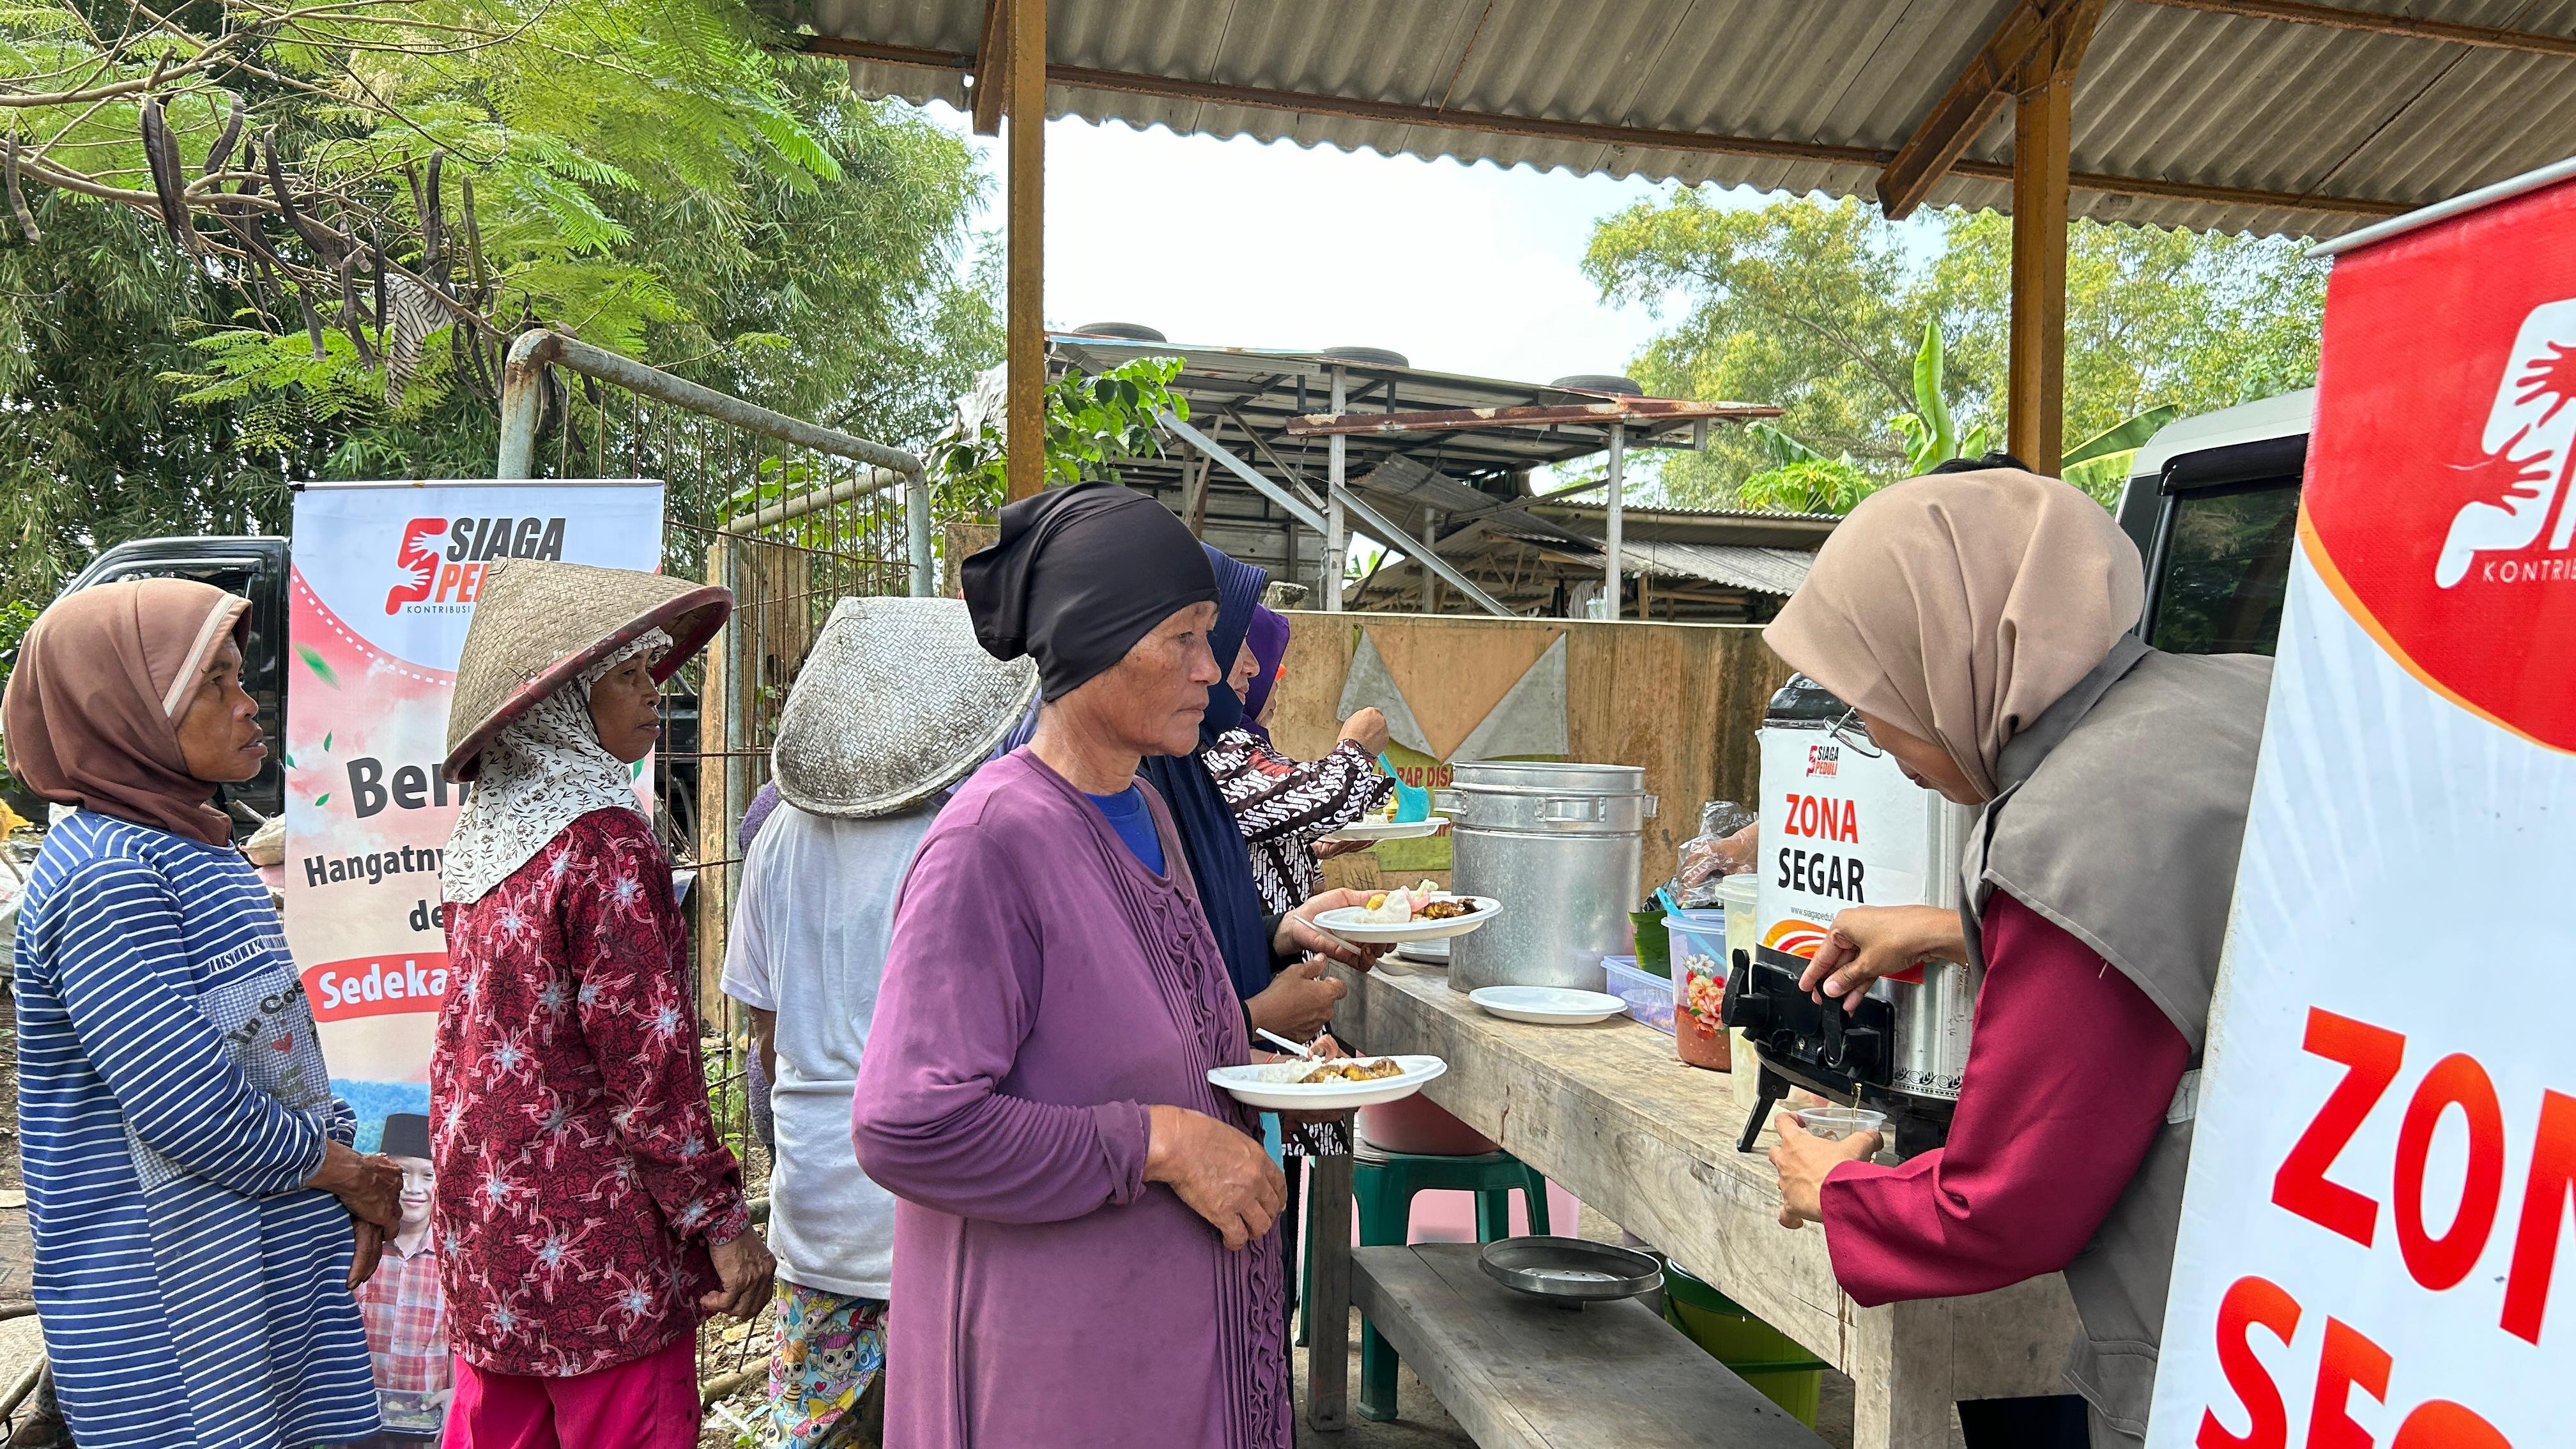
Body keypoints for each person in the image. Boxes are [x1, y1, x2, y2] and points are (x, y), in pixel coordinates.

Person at [1754, 464, 2271, 1449]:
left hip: (2233, 1343)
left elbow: (2008, 1203)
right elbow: (2207, 942)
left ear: (1949, 651)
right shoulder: (2231, 696)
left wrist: (1840, 1191)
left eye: (1876, 688)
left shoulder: (2072, 826)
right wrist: (1962, 928)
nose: (1869, 729)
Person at [854, 482, 1367, 1449]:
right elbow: (907, 1128)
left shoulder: (1147, 808)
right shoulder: (991, 844)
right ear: (1094, 640)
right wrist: (1163, 1144)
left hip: (1168, 1368)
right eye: (1183, 637)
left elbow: (1143, 1038)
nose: (1213, 672)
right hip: (1051, 1388)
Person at [4, 578, 401, 1449]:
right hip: (175, 1311)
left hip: (254, 1270)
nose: (248, 703)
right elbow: (193, 1108)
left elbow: (282, 1046)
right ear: (125, 713)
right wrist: (343, 1171)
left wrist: (346, 1167)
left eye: (238, 675)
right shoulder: (109, 876)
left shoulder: (196, 846)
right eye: (213, 685)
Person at [433, 558, 774, 1449]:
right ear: (563, 701)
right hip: (600, 1253)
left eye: (649, 668)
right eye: (625, 674)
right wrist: (721, 1221)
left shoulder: (485, 842)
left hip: (491, 1242)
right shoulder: (605, 841)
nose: (654, 690)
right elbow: (650, 1068)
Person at [721, 595, 1039, 1449]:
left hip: (817, 1206)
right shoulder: (967, 836)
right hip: (933, 1207)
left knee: (816, 1427)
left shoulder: (779, 834)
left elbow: (764, 1030)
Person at [1202, 604, 1397, 915]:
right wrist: (1356, 748)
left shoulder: (1243, 743)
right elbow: (1321, 796)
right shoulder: (1217, 748)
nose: (1254, 670)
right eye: (1274, 669)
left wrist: (1306, 850)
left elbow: (1251, 837)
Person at [355, 1113, 449, 1446]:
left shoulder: (455, 1259)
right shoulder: (356, 1247)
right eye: (401, 1173)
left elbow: (465, 1342)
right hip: (355, 1414)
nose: (413, 1188)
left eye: (428, 1175)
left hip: (424, 1417)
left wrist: (455, 1393)